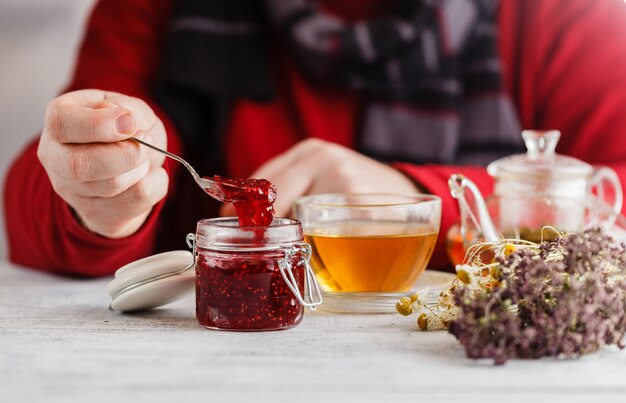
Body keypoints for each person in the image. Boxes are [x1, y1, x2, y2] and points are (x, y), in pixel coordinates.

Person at [4, 0, 626, 276]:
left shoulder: (562, 12)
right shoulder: (155, 8)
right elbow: (38, 193)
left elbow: (614, 188)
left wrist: (421, 200)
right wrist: (95, 194)